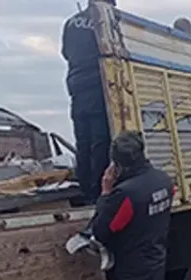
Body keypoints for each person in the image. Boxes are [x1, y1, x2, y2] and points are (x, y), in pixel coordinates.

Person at [92, 131, 173, 280]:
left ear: (116, 165)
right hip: (154, 270)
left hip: (131, 279)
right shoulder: (164, 181)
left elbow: (103, 230)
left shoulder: (126, 194)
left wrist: (106, 193)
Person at [61, 0, 116, 204]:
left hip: (76, 84)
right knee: (101, 141)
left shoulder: (71, 22)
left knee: (83, 141)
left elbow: (66, 53)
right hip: (97, 83)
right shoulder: (106, 19)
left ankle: (85, 189)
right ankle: (97, 193)